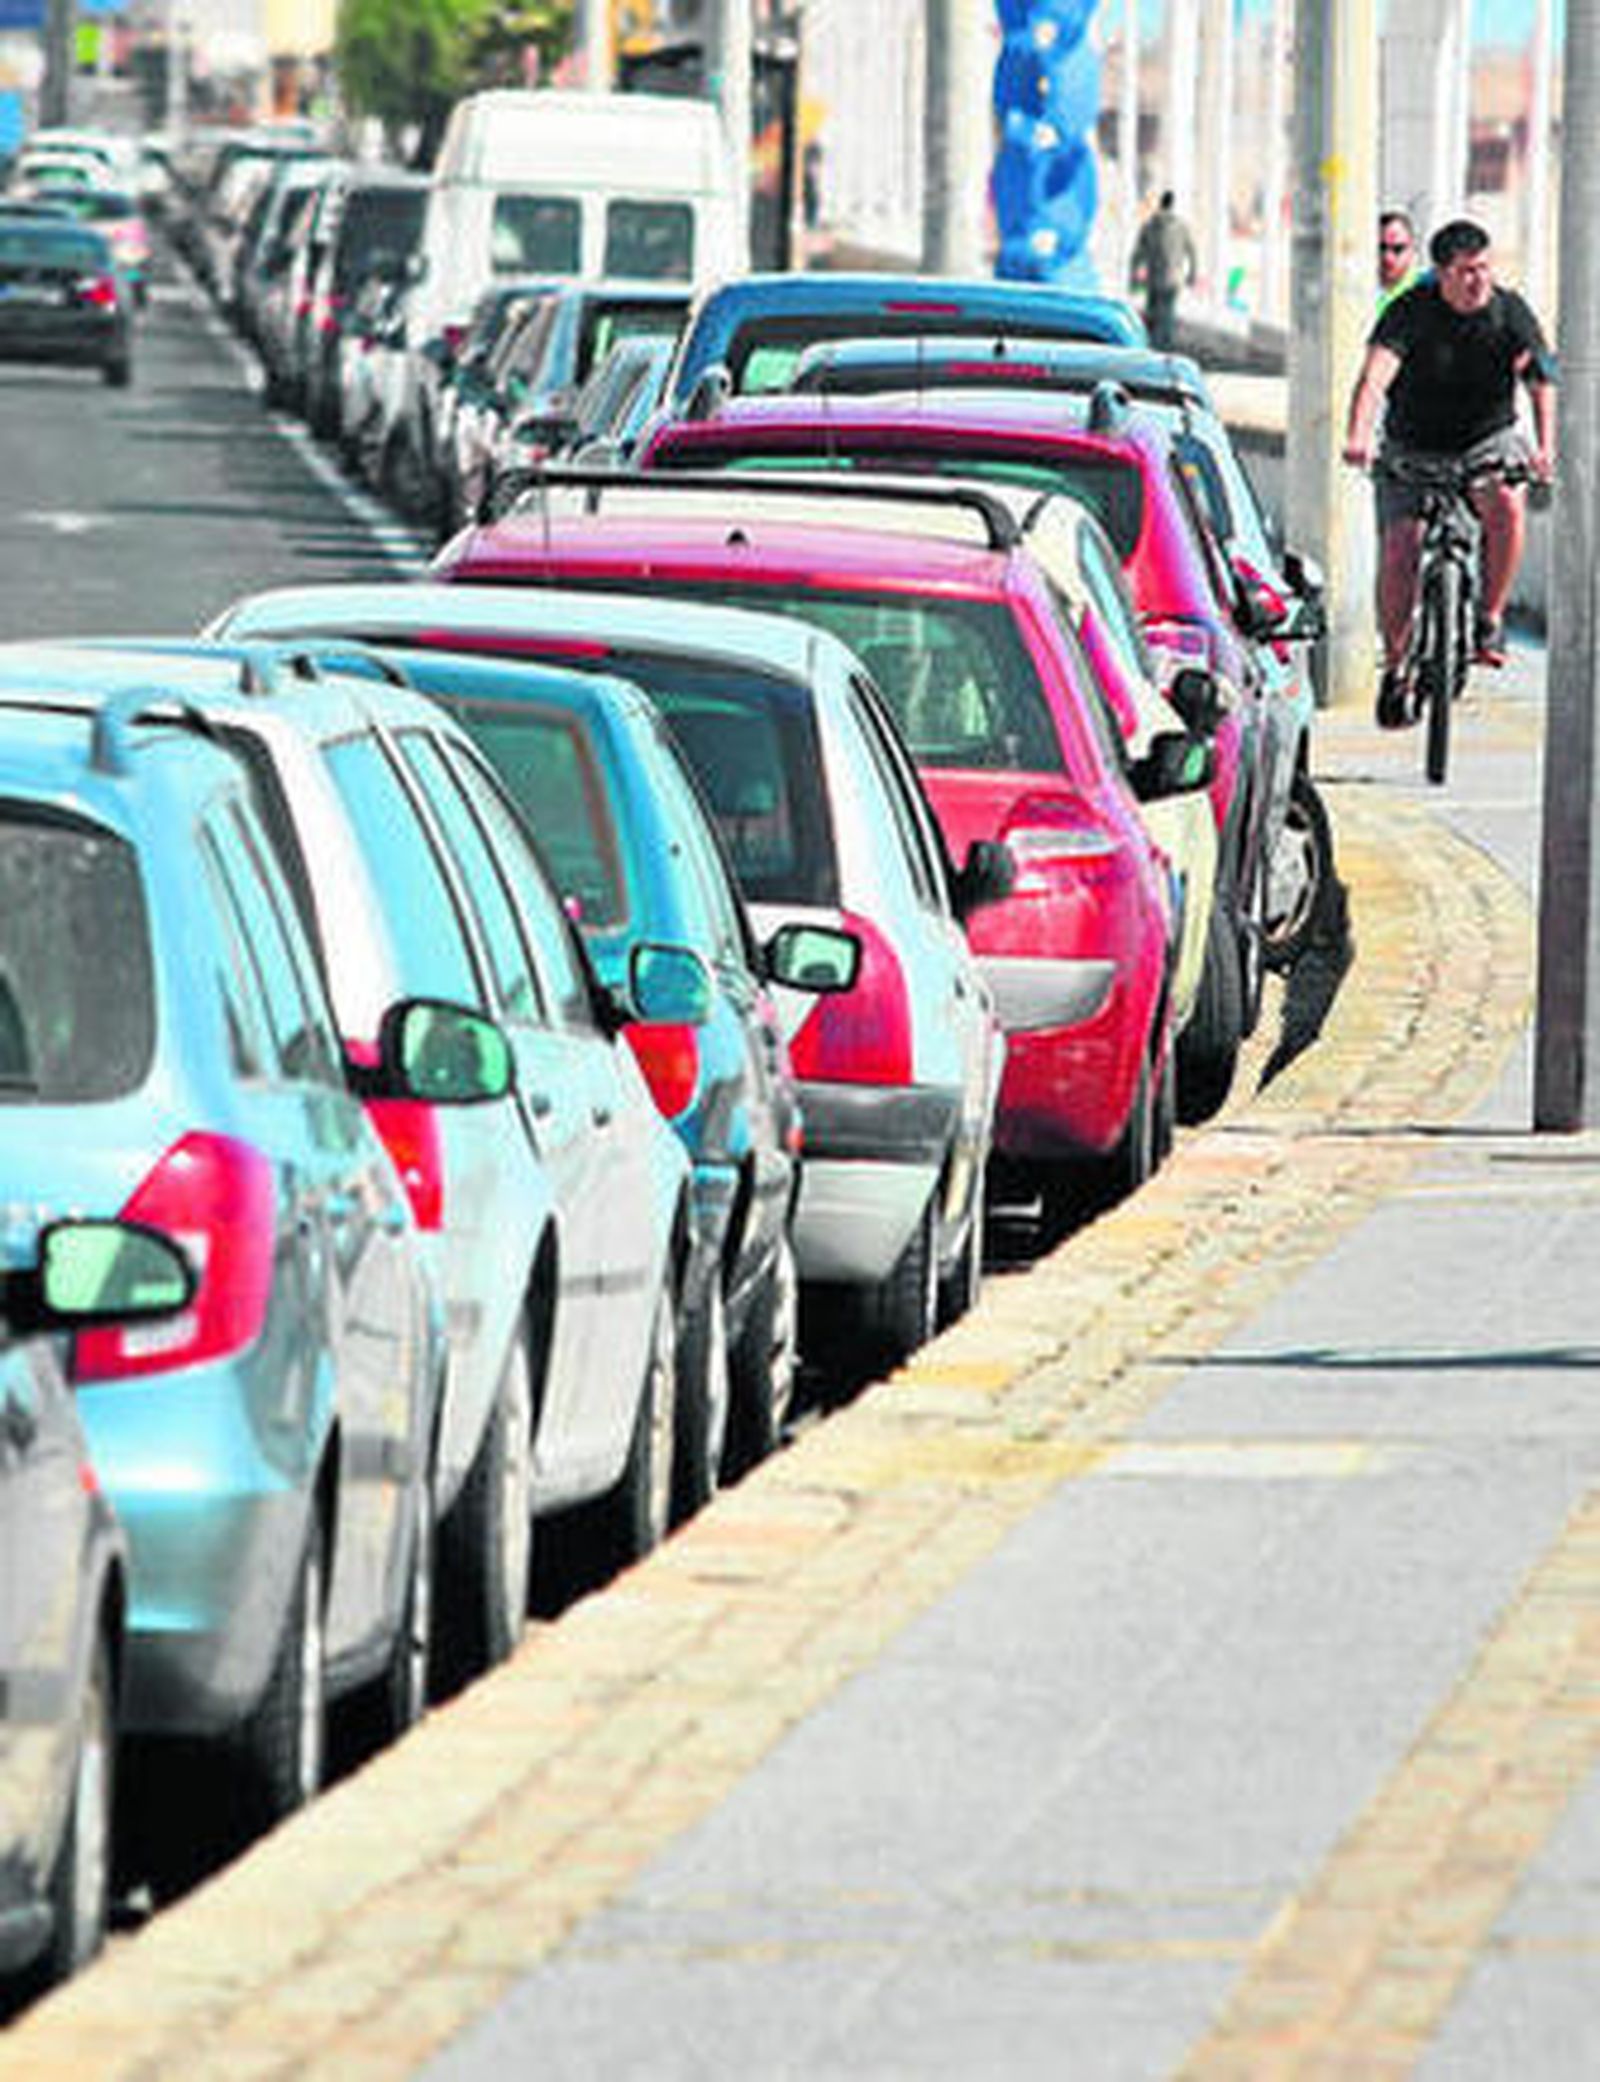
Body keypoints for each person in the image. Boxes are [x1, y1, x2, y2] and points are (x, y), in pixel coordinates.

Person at [1342, 217, 1557, 728]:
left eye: (1484, 268)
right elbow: (1374, 378)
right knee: (1400, 549)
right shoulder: (1409, 313)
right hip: (1413, 445)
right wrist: (1357, 436)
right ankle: (1396, 668)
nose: (1478, 280)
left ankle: (1489, 617)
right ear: (1440, 274)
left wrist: (1546, 447)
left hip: (1487, 439)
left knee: (1505, 501)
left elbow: (1540, 381)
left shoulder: (1509, 313)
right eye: (1465, 272)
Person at [1129, 191, 1197, 350]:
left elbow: (1137, 255)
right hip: (1173, 279)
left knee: (1152, 313)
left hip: (1153, 278)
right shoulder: (1182, 227)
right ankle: (1165, 347)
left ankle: (1152, 346)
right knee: (1168, 316)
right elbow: (1192, 252)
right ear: (1173, 205)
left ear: (1160, 204)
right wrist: (1191, 275)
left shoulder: (1149, 226)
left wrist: (1133, 279)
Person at [1376, 207, 1420, 312]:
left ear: (1412, 250)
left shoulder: (1423, 286)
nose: (1388, 257)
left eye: (1398, 249)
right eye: (1382, 248)